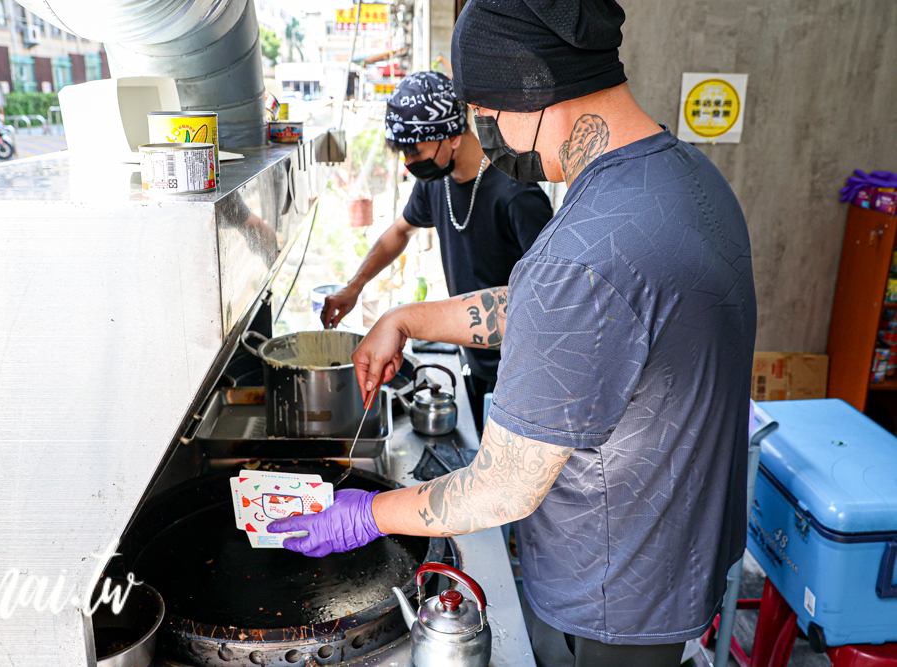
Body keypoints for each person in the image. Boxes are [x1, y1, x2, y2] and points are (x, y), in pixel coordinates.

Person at [271, 2, 756, 666]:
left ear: (530, 85)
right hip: (682, 541)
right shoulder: (684, 177)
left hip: (623, 585)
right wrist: (403, 317)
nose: (487, 134)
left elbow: (502, 487)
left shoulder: (582, 249)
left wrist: (365, 514)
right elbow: (568, 309)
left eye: (486, 115)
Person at [319, 71, 553, 433]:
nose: (409, 163)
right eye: (403, 153)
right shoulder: (436, 182)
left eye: (415, 152)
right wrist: (355, 285)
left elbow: (550, 297)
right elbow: (400, 230)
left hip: (521, 372)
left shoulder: (517, 196)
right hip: (473, 356)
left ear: (455, 137)